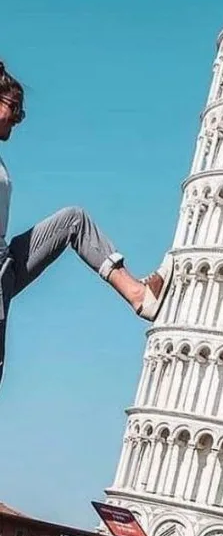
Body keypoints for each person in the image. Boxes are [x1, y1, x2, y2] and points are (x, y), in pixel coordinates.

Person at [0, 60, 173, 386]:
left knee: (73, 221)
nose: (18, 119)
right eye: (14, 108)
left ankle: (139, 296)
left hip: (6, 262)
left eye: (21, 113)